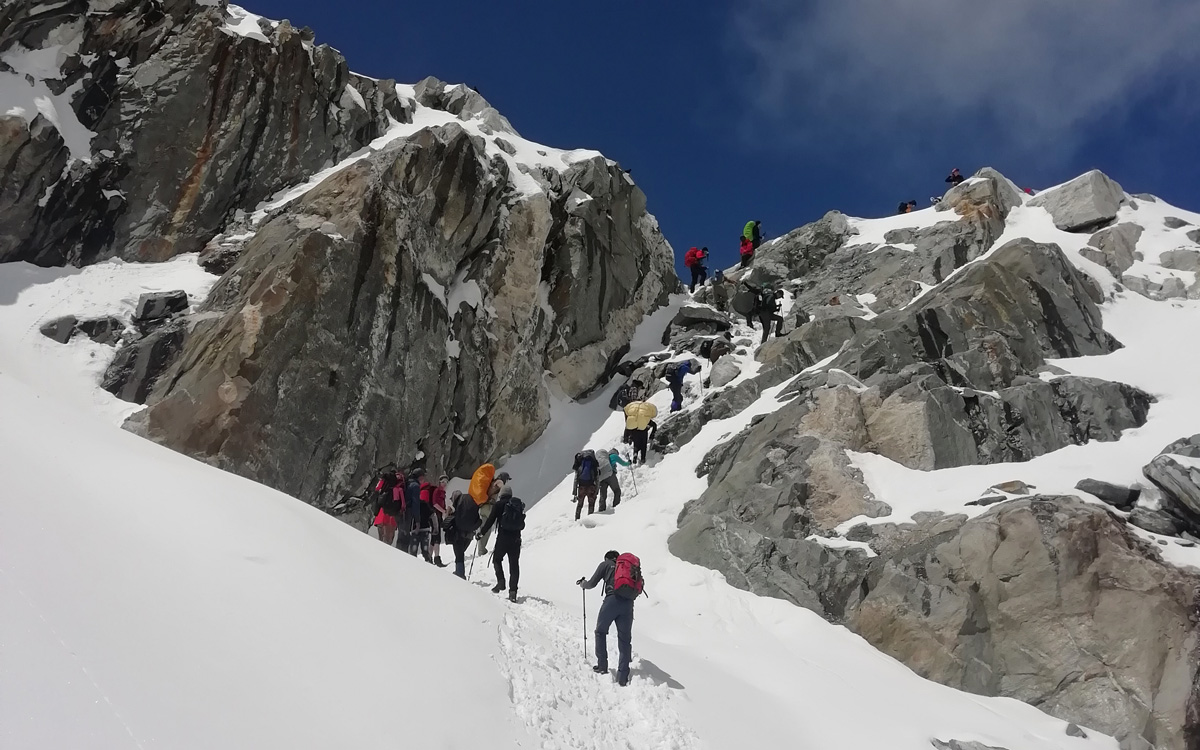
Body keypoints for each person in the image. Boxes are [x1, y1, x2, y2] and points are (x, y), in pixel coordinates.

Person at [578, 550, 644, 687]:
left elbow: (591, 584)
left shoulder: (605, 564)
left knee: (600, 631)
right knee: (625, 639)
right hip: (628, 605)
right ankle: (623, 676)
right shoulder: (628, 568)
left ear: (607, 557)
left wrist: (583, 584)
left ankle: (602, 665)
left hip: (611, 601)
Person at [476, 486, 525, 601]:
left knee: (497, 560)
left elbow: (490, 521)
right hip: (516, 539)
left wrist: (480, 533)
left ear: (501, 494)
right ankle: (513, 592)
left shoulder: (498, 505)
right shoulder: (517, 505)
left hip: (503, 539)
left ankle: (501, 582)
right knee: (514, 565)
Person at [446, 490, 480, 578]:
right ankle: (459, 571)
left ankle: (460, 573)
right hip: (469, 534)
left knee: (459, 554)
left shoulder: (458, 504)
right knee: (461, 552)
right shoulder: (470, 501)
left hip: (459, 533)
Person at [477, 470, 510, 555]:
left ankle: (481, 549)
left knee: (484, 527)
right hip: (489, 507)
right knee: (488, 527)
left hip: (483, 506)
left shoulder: (492, 483)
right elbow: (503, 489)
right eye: (507, 479)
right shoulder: (499, 482)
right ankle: (482, 549)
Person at [370, 467, 405, 546]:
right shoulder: (400, 483)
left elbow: (377, 488)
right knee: (389, 539)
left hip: (382, 510)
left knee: (381, 537)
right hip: (394, 511)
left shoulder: (384, 480)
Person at [573, 450, 601, 520]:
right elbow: (597, 479)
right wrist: (597, 490)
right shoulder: (594, 464)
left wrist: (574, 492)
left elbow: (576, 479)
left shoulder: (580, 465)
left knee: (580, 504)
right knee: (591, 504)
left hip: (581, 487)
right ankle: (590, 519)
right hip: (591, 486)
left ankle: (577, 519)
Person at [430, 475, 448, 567]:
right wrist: (443, 511)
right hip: (435, 515)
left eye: (446, 482)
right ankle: (437, 559)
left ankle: (429, 557)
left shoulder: (442, 492)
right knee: (437, 537)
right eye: (443, 482)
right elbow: (434, 503)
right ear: (440, 482)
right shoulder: (437, 491)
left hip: (438, 516)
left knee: (434, 537)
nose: (445, 484)